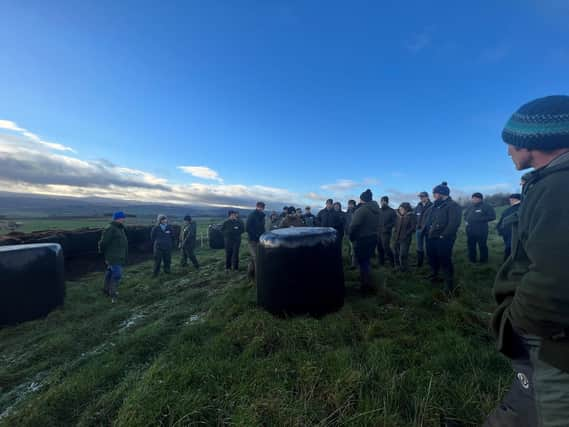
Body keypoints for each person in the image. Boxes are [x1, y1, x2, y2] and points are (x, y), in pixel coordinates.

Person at [485, 95, 569, 426]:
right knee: (526, 400)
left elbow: (557, 278)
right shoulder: (549, 183)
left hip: (554, 340)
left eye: (511, 143)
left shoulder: (559, 186)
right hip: (551, 333)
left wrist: (519, 319)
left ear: (533, 141)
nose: (508, 151)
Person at [424, 182, 462, 294]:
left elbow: (454, 224)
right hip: (431, 237)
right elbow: (429, 219)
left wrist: (443, 235)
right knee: (432, 258)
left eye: (435, 193)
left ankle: (449, 284)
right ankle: (434, 275)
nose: (433, 195)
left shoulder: (453, 205)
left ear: (442, 193)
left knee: (445, 260)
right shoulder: (434, 205)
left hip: (444, 239)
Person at [349, 190, 381, 293]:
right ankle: (367, 282)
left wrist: (351, 237)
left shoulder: (362, 210)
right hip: (373, 238)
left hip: (362, 239)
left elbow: (353, 226)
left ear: (362, 199)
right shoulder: (377, 209)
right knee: (366, 261)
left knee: (363, 263)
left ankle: (365, 286)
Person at [98, 211, 128, 303]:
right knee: (117, 274)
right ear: (117, 218)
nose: (124, 219)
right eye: (123, 218)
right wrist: (104, 253)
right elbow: (103, 243)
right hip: (113, 256)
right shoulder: (110, 228)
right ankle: (113, 294)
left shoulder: (120, 229)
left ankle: (105, 289)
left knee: (110, 272)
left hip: (119, 255)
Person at [463, 192, 496, 263]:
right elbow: (465, 215)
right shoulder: (470, 206)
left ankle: (483, 260)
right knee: (471, 245)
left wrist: (478, 219)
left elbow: (492, 216)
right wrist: (466, 220)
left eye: (475, 198)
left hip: (481, 230)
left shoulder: (487, 206)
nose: (473, 199)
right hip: (470, 230)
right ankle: (472, 259)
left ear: (480, 199)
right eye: (473, 198)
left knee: (482, 245)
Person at [496, 193, 521, 261]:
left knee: (510, 249)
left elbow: (501, 222)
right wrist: (499, 229)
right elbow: (502, 221)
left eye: (511, 199)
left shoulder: (521, 208)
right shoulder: (508, 209)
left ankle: (508, 265)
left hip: (514, 233)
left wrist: (499, 229)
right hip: (508, 233)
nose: (510, 201)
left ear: (515, 199)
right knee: (511, 248)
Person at [393, 202, 416, 272]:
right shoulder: (398, 216)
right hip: (397, 237)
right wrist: (395, 233)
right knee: (396, 253)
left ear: (406, 209)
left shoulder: (411, 216)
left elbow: (413, 227)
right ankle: (397, 266)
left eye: (402, 209)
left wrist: (406, 234)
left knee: (403, 254)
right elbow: (396, 226)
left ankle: (404, 268)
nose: (400, 210)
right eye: (400, 209)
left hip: (405, 239)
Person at [246, 202, 265, 280]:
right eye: (260, 207)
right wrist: (256, 235)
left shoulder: (262, 215)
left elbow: (262, 227)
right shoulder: (252, 215)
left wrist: (264, 235)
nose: (261, 208)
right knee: (257, 258)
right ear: (256, 206)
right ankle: (258, 278)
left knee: (253, 258)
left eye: (262, 207)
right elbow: (247, 228)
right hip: (253, 240)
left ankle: (251, 274)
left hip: (260, 239)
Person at [414, 191, 433, 267]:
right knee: (419, 246)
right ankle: (419, 262)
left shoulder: (432, 206)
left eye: (423, 196)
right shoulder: (418, 206)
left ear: (427, 197)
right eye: (420, 197)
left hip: (428, 230)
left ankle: (430, 261)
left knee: (429, 246)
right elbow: (414, 216)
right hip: (419, 229)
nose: (421, 198)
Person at [377, 196, 397, 267]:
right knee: (379, 248)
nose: (383, 202)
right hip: (378, 232)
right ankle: (381, 262)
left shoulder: (391, 211)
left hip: (386, 232)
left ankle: (392, 262)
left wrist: (387, 227)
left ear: (387, 202)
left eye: (384, 201)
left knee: (386, 247)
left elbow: (394, 222)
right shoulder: (378, 210)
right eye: (382, 201)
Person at [346, 200, 358, 268]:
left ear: (354, 205)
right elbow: (346, 223)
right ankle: (351, 261)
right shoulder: (347, 213)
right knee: (350, 247)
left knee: (353, 248)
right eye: (349, 204)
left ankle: (353, 264)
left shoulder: (356, 212)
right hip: (348, 233)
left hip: (354, 233)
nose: (350, 206)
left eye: (351, 204)